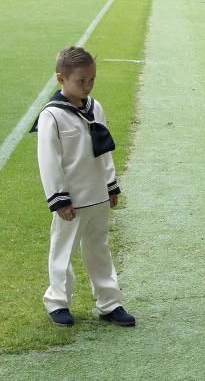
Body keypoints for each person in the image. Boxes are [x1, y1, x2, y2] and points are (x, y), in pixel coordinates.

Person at [31, 46, 135, 328]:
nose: (87, 86)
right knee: (62, 251)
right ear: (61, 79)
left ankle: (110, 302)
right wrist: (59, 199)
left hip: (98, 196)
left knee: (99, 249)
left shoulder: (95, 107)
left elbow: (104, 150)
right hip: (71, 201)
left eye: (91, 79)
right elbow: (49, 162)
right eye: (81, 81)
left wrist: (111, 186)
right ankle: (58, 302)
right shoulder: (52, 116)